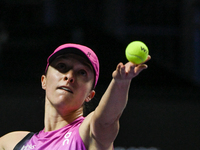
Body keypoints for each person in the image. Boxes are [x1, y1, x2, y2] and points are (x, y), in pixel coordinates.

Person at [0, 43, 151, 150]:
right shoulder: (12, 143)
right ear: (44, 81)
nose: (70, 76)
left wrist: (120, 82)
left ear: (90, 95)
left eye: (82, 72)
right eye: (62, 66)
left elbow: (106, 121)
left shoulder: (88, 133)